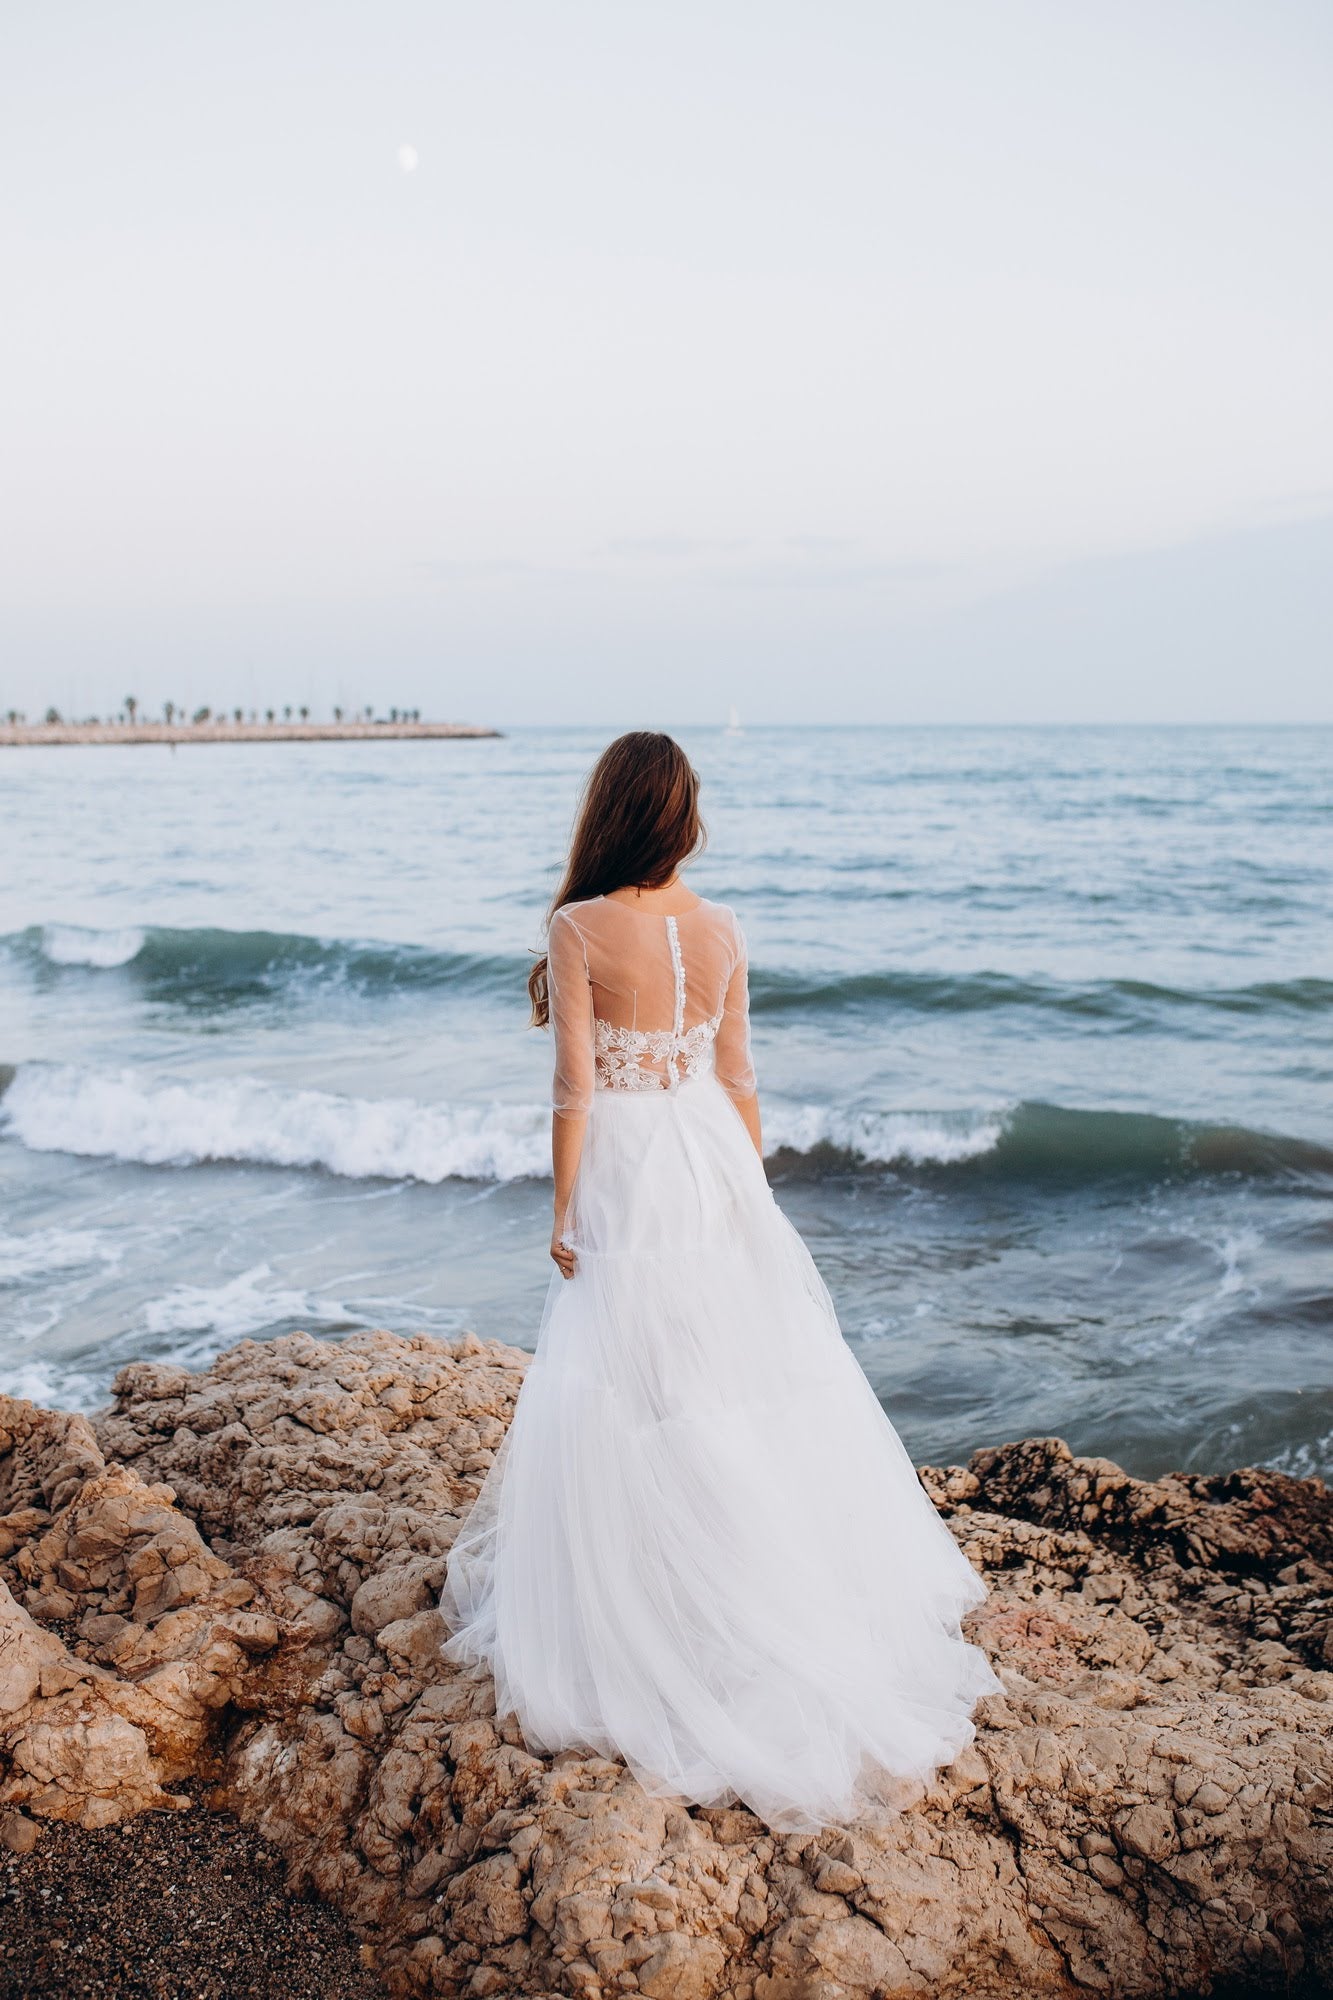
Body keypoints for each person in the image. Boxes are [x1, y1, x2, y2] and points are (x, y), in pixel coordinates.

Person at [441, 731, 1000, 1830]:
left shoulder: (576, 925)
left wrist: (561, 1207)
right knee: (735, 1370)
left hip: (635, 1157)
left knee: (635, 1372)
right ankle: (763, 1580)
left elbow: (574, 1088)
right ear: (683, 815)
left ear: (608, 812)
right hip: (710, 1152)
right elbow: (739, 1073)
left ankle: (664, 1591)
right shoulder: (725, 924)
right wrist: (752, 1191)